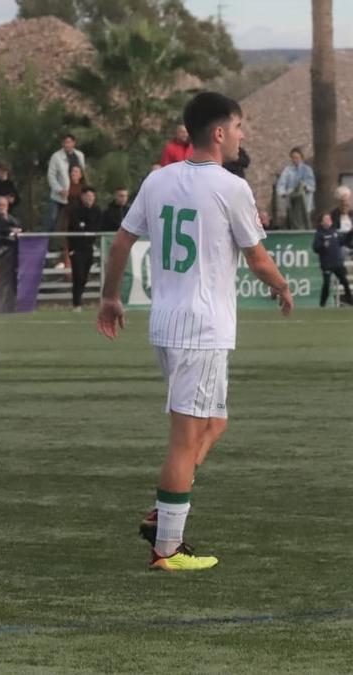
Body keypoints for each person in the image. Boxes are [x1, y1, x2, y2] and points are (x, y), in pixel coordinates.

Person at [97, 92, 293, 572]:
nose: (243, 134)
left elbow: (123, 240)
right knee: (185, 440)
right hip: (202, 327)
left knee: (215, 423)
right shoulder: (230, 188)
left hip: (168, 322)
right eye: (240, 126)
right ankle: (167, 548)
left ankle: (163, 511)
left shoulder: (159, 179)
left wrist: (110, 296)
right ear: (220, 132)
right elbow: (257, 257)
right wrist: (283, 287)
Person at [66, 186, 104, 311]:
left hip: (89, 247)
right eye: (88, 196)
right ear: (82, 197)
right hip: (77, 248)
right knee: (78, 275)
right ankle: (76, 303)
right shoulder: (75, 211)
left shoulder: (97, 211)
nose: (90, 199)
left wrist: (86, 227)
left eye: (92, 196)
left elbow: (97, 227)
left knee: (85, 276)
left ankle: (79, 301)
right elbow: (76, 227)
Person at [43, 133, 86, 232]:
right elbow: (51, 176)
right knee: (52, 220)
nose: (66, 145)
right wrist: (59, 190)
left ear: (73, 143)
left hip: (76, 193)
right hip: (60, 195)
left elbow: (82, 172)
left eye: (69, 142)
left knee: (75, 220)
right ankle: (43, 245)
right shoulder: (56, 156)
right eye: (65, 142)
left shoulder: (79, 155)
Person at [313, 212, 353, 307]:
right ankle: (322, 304)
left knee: (345, 282)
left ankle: (350, 301)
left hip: (338, 263)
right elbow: (315, 247)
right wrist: (323, 246)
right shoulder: (319, 234)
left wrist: (351, 233)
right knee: (326, 284)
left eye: (329, 218)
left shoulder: (334, 232)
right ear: (321, 223)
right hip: (327, 264)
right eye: (326, 219)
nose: (329, 220)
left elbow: (343, 241)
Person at [276, 147, 315, 230]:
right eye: (293, 158)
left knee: (304, 222)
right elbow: (281, 184)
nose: (295, 160)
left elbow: (312, 186)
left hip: (304, 202)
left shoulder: (307, 170)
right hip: (291, 201)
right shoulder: (287, 170)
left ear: (301, 158)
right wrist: (282, 193)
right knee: (292, 222)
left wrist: (305, 187)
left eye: (297, 158)